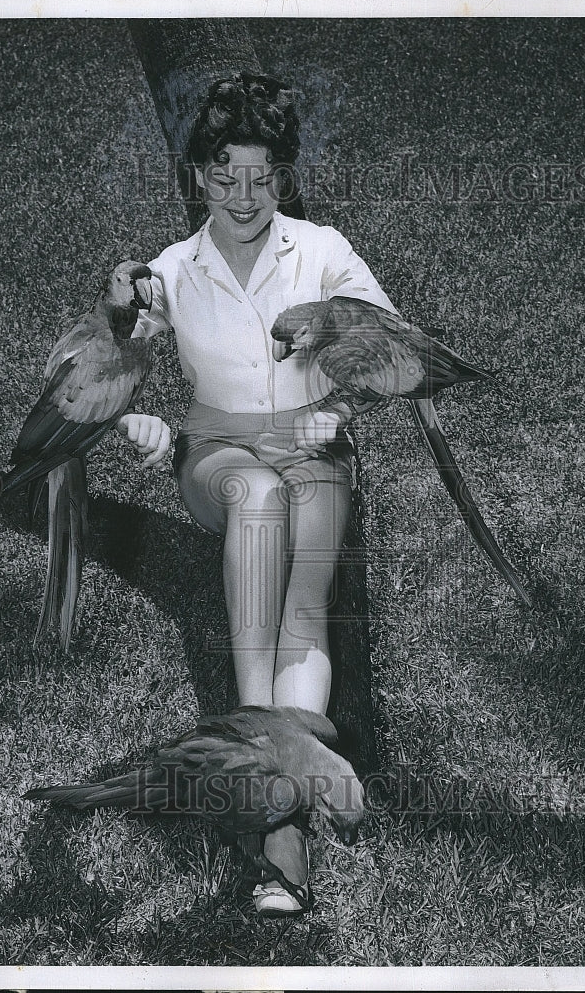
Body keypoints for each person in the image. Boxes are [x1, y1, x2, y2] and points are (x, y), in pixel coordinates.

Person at [117, 71, 397, 916]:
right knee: (256, 496)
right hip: (217, 457)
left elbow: (391, 349)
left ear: (285, 174)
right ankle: (261, 724)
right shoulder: (170, 270)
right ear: (198, 176)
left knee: (303, 598)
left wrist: (337, 410)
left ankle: (276, 837)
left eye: (262, 172)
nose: (244, 194)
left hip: (313, 444)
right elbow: (107, 362)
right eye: (225, 172)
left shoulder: (323, 251)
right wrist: (145, 425)